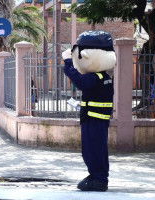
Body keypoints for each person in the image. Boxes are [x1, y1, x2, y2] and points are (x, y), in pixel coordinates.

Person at [62, 31, 116, 192]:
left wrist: (67, 63)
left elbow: (79, 81)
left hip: (94, 121)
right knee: (96, 150)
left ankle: (99, 179)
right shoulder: (104, 76)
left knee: (92, 150)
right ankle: (97, 176)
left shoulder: (96, 77)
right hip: (95, 119)